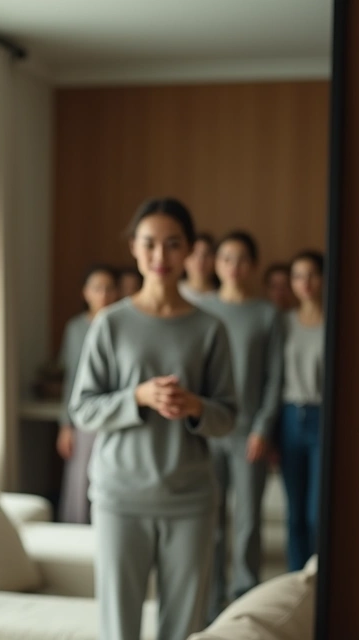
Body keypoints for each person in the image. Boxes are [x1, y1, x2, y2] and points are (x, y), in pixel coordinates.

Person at [71, 197, 237, 640]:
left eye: (172, 244)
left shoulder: (210, 329)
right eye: (149, 244)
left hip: (190, 500)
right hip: (119, 498)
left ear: (188, 250)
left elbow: (228, 418)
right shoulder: (110, 324)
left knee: (182, 630)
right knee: (118, 629)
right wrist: (137, 396)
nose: (160, 256)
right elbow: (83, 408)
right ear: (134, 248)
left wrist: (196, 406)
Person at [192, 231, 284, 621]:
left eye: (242, 259)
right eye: (226, 258)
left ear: (253, 266)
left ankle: (244, 601)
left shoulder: (267, 314)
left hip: (248, 432)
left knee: (247, 521)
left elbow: (274, 378)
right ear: (216, 263)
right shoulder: (200, 309)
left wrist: (263, 427)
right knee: (209, 520)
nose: (233, 266)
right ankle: (211, 602)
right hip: (207, 430)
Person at [57, 264, 121, 524]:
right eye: (97, 288)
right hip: (84, 415)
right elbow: (71, 378)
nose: (103, 294)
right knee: (79, 482)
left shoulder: (121, 324)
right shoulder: (76, 328)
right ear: (86, 293)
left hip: (116, 414)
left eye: (109, 288)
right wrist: (66, 425)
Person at [279, 250, 326, 572]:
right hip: (289, 418)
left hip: (322, 417)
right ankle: (296, 578)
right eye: (297, 276)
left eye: (311, 275)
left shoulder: (333, 322)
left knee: (316, 511)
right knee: (294, 512)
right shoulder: (283, 323)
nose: (305, 283)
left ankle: (318, 578)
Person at [180, 232, 220, 304]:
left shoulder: (223, 297)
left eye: (206, 255)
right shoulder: (174, 292)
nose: (200, 261)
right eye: (194, 254)